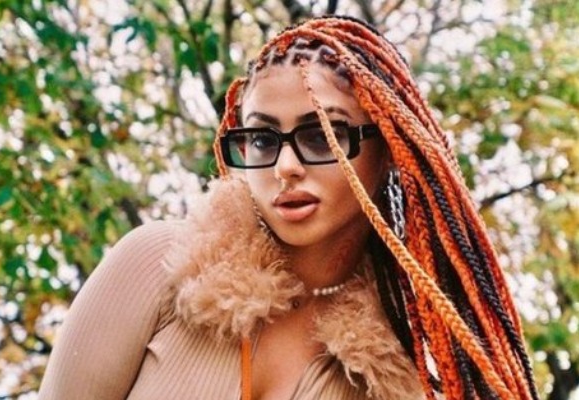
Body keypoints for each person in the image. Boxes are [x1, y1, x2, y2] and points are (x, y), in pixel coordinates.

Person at [38, 16, 538, 400]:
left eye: (322, 135)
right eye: (262, 139)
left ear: (388, 148)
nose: (286, 167)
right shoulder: (158, 265)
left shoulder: (401, 373)